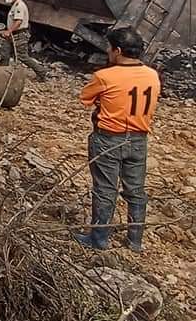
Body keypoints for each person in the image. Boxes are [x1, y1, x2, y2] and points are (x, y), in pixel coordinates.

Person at [74, 27, 160, 252]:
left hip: (109, 139)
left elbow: (84, 98)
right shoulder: (152, 75)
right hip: (139, 140)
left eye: (110, 49)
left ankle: (99, 238)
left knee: (105, 189)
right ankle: (135, 241)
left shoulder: (105, 76)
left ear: (118, 50)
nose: (109, 53)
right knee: (136, 191)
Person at [2, 0, 46, 79]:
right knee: (5, 53)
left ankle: (41, 71)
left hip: (19, 35)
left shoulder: (19, 6)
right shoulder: (14, 5)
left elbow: (18, 21)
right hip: (12, 34)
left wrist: (9, 31)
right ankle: (2, 73)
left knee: (22, 56)